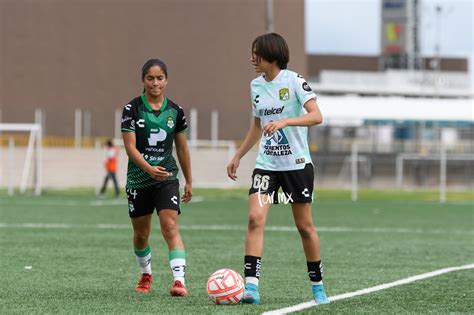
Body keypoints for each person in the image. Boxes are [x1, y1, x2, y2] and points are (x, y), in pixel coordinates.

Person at [226, 33, 329, 305]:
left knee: (304, 227)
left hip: (296, 166)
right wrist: (238, 155)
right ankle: (251, 288)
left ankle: (317, 286)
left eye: (256, 53)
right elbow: (257, 127)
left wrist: (285, 122)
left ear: (270, 54)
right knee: (254, 219)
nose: (251, 59)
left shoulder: (294, 81)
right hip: (266, 166)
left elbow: (317, 116)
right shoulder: (255, 86)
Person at [121, 58, 192, 296]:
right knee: (141, 235)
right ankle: (146, 274)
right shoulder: (132, 109)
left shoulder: (176, 111)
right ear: (143, 80)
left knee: (170, 226)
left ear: (166, 80)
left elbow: (182, 148)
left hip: (167, 178)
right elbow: (130, 147)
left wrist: (189, 180)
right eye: (150, 78)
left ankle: (179, 281)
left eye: (159, 78)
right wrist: (148, 168)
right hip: (139, 179)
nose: (155, 83)